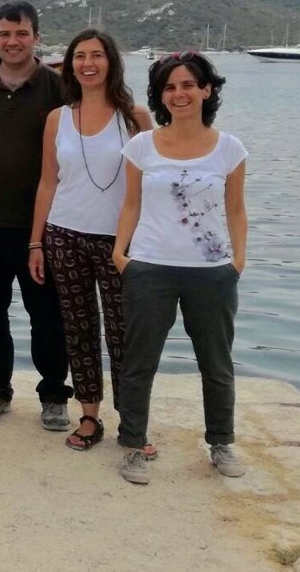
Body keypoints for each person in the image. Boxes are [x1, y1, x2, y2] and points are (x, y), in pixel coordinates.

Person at [113, 52, 248, 485]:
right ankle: (133, 445)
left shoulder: (229, 149)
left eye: (188, 84)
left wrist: (237, 261)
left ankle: (221, 443)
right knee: (139, 362)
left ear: (206, 90)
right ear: (161, 96)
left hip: (212, 272)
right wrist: (120, 254)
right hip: (149, 268)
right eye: (169, 87)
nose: (179, 94)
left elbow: (236, 209)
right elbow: (130, 205)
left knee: (216, 363)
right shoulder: (140, 146)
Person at [28, 29, 153, 450]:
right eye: (79, 56)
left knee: (124, 333)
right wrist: (36, 242)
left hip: (119, 241)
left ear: (111, 62)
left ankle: (132, 423)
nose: (88, 63)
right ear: (70, 65)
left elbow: (149, 185)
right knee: (79, 330)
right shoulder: (58, 119)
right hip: (64, 235)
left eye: (97, 55)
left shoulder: (135, 118)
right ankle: (89, 416)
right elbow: (48, 182)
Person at [0, 0, 72, 429]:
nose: (13, 41)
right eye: (5, 34)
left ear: (36, 37)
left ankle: (54, 394)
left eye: (22, 33)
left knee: (48, 315)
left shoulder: (58, 87)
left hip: (41, 226)